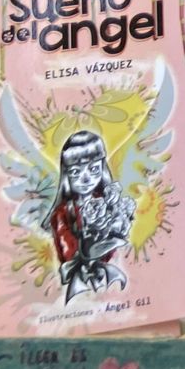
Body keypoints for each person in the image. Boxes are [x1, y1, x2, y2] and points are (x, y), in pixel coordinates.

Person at [44, 129, 135, 302]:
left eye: (93, 169)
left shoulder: (108, 204)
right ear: (66, 175)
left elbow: (112, 248)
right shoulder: (63, 212)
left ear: (102, 169)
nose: (85, 179)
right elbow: (67, 253)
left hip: (106, 274)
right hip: (78, 275)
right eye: (76, 172)